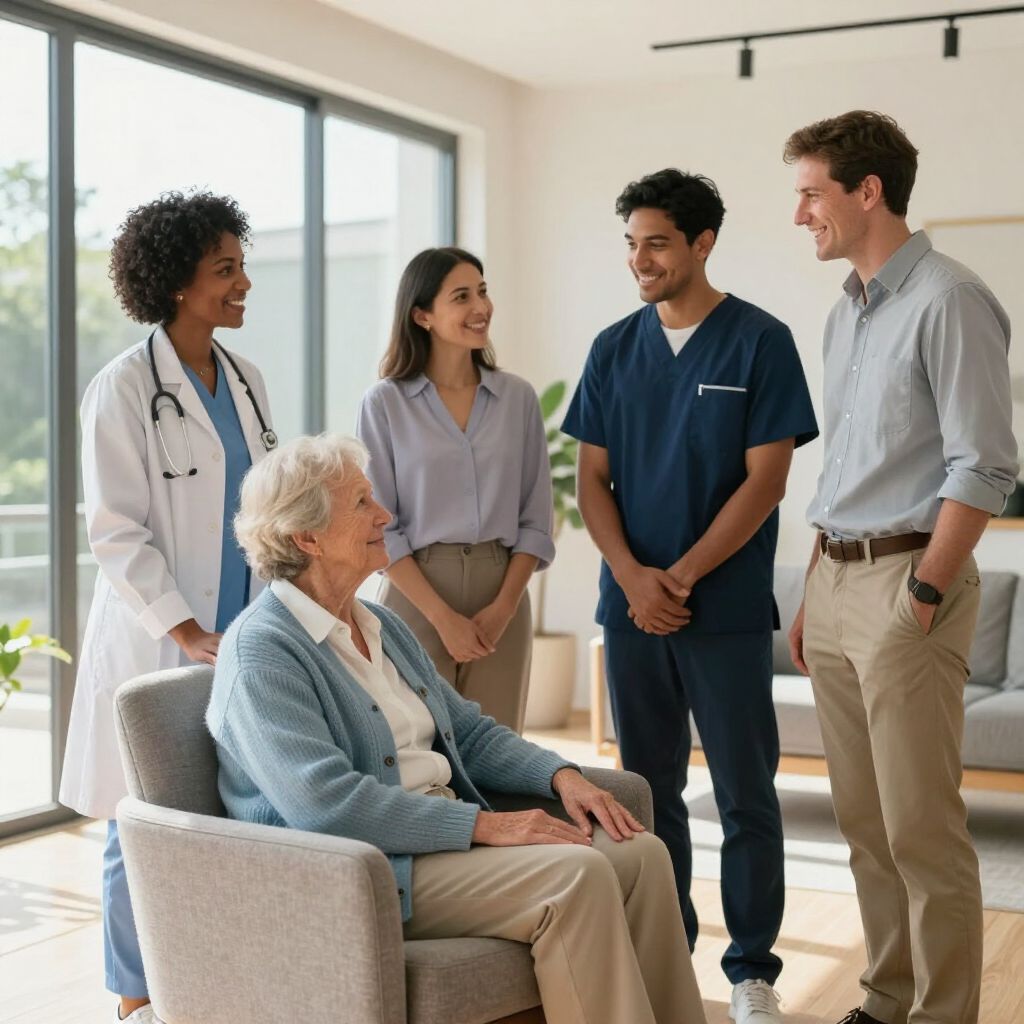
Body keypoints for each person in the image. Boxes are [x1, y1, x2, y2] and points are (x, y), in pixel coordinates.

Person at [205, 432, 707, 1024]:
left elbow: (466, 733)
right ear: (306, 537)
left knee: (642, 854)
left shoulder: (378, 622)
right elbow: (326, 805)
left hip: (434, 842)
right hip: (363, 871)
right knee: (578, 876)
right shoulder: (263, 652)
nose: (385, 515)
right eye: (361, 503)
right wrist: (486, 826)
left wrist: (561, 775)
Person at [563, 169, 818, 1024]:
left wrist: (683, 576)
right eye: (632, 243)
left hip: (726, 610)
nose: (640, 259)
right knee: (646, 794)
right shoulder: (612, 348)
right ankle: (666, 953)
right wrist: (636, 578)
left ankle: (751, 974)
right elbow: (591, 479)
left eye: (658, 242)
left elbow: (767, 480)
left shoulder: (759, 341)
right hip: (633, 611)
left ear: (703, 243)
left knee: (747, 792)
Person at [784, 111, 1018, 1024]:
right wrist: (813, 586)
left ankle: (944, 1014)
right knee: (864, 825)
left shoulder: (951, 299)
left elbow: (986, 467)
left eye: (811, 193)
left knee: (921, 827)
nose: (800, 213)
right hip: (837, 580)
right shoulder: (846, 311)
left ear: (866, 191)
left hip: (906, 582)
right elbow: (843, 467)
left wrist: (922, 591)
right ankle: (887, 999)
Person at [59, 192, 275, 1024]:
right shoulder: (121, 389)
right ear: (179, 284)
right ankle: (137, 994)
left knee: (228, 810)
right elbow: (114, 531)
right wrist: (186, 630)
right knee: (139, 818)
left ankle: (213, 980)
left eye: (240, 265)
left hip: (240, 633)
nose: (243, 282)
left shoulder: (246, 381)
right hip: (165, 639)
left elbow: (260, 509)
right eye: (226, 269)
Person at [356, 247, 554, 732]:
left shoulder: (517, 398)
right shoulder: (385, 404)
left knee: (502, 750)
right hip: (416, 593)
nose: (480, 307)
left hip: (502, 588)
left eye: (483, 292)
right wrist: (443, 618)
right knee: (419, 748)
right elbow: (381, 525)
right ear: (422, 315)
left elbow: (536, 517)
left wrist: (504, 608)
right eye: (462, 296)